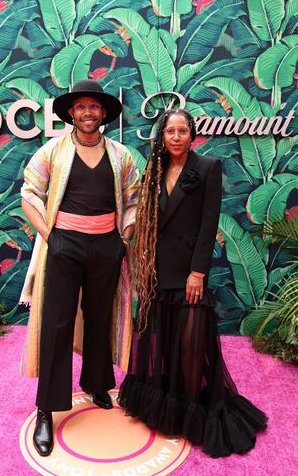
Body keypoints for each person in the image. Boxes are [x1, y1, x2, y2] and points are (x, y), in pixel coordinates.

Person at [118, 109, 268, 458]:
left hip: (188, 271)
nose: (175, 137)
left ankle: (190, 405)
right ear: (162, 136)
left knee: (189, 340)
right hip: (157, 269)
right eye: (169, 131)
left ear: (192, 134)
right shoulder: (153, 171)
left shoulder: (208, 167)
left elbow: (208, 222)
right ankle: (167, 403)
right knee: (163, 337)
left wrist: (197, 273)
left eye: (182, 130)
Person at [20, 80, 139, 457]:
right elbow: (29, 194)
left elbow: (133, 200)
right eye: (81, 107)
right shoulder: (52, 151)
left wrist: (125, 235)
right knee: (56, 324)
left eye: (95, 107)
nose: (88, 113)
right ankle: (46, 409)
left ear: (104, 113)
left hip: (107, 244)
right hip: (64, 245)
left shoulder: (122, 155)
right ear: (71, 112)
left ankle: (98, 383)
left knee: (100, 315)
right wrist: (49, 236)